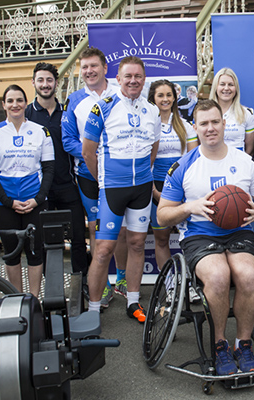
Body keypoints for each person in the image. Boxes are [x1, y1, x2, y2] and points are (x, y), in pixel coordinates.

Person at [158, 99, 254, 375]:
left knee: (248, 275)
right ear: (195, 128)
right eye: (203, 124)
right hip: (199, 234)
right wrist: (190, 207)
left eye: (215, 122)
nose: (210, 128)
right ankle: (220, 344)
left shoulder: (246, 162)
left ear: (224, 124)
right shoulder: (183, 166)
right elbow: (162, 216)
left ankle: (243, 343)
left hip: (239, 232)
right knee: (218, 276)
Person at [82, 56, 159, 322]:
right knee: (103, 249)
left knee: (137, 243)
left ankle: (134, 302)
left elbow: (153, 149)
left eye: (138, 76)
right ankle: (93, 309)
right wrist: (103, 180)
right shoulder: (102, 107)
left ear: (144, 78)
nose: (133, 81)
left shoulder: (152, 110)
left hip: (142, 189)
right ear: (118, 78)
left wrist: (143, 177)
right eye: (128, 76)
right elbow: (88, 152)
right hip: (112, 189)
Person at [0, 85, 55, 297]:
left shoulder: (41, 131)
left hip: (35, 203)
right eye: (10, 101)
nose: (15, 105)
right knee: (11, 255)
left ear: (25, 102)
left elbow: (49, 168)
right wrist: (7, 201)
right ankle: (16, 298)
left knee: (35, 253)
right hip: (6, 205)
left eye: (19, 100)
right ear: (3, 105)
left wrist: (38, 199)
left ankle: (32, 300)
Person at [61, 47, 120, 308]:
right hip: (88, 175)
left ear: (105, 68)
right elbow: (67, 140)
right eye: (84, 67)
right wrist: (92, 153)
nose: (89, 71)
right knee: (96, 230)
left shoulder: (121, 92)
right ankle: (103, 286)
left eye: (93, 66)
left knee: (123, 229)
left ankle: (122, 281)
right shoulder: (74, 99)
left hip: (120, 175)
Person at [25, 62, 88, 284]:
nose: (45, 84)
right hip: (40, 190)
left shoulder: (67, 113)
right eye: (40, 80)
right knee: (44, 243)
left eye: (49, 80)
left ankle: (81, 285)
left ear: (56, 83)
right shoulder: (26, 114)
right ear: (34, 83)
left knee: (79, 239)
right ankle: (51, 287)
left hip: (68, 186)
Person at [148, 79, 199, 272]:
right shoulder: (147, 125)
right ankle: (169, 285)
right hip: (157, 189)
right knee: (161, 239)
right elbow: (145, 162)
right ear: (153, 98)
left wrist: (183, 191)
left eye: (169, 95)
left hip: (182, 188)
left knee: (190, 237)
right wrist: (154, 191)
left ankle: (193, 283)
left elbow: (193, 161)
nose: (165, 99)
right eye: (160, 95)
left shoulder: (184, 125)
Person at [209, 68, 254, 154]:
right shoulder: (205, 113)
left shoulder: (246, 114)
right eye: (222, 84)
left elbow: (249, 148)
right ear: (216, 87)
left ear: (236, 88)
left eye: (231, 84)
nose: (226, 88)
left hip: (238, 164)